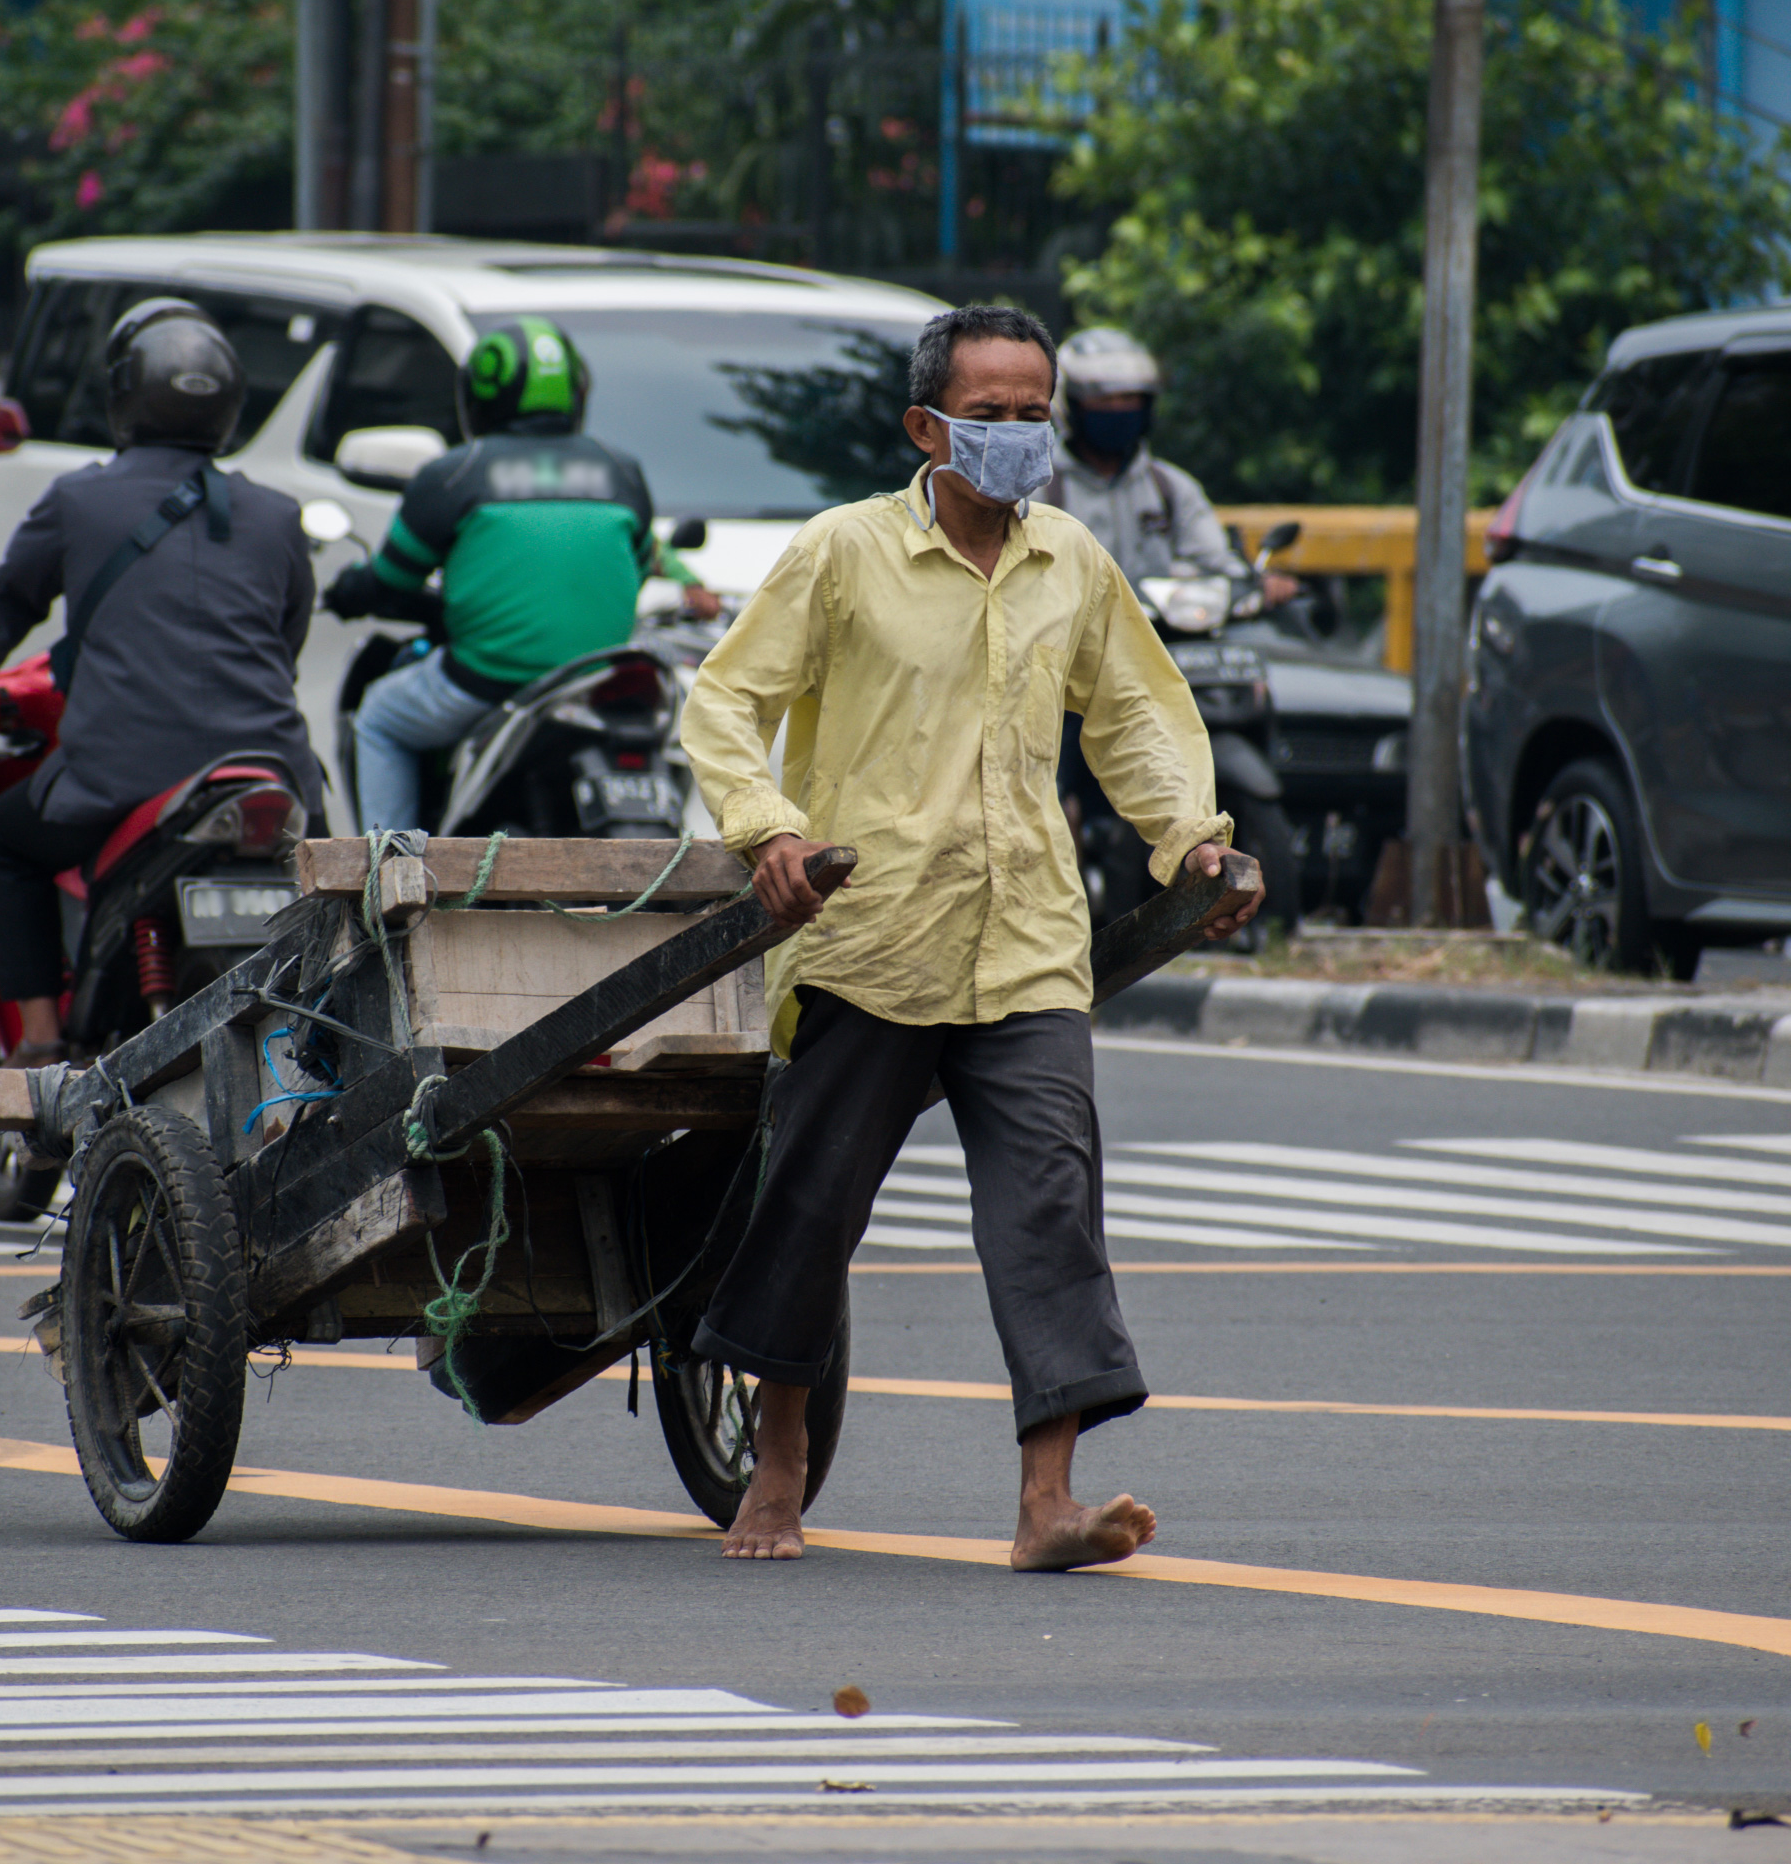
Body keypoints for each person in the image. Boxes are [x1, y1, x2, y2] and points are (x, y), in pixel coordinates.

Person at [678, 303, 1255, 1569]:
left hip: (1027, 943)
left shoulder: (1073, 564)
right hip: (871, 934)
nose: (1013, 435)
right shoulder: (841, 553)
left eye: (1030, 412)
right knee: (813, 1206)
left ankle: (1047, 1505)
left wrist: (1189, 841)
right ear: (924, 426)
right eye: (985, 414)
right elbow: (728, 700)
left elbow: (1138, 720)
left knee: (1050, 1207)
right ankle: (774, 1471)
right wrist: (767, 824)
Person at [0, 298, 317, 1066]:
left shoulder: (77, 499)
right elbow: (284, 642)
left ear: (123, 396)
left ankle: (38, 1043)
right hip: (273, 776)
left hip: (118, 783)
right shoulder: (276, 515)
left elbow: (4, 611)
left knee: (2, 839)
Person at [322, 316, 671, 833]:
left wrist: (349, 589)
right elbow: (640, 567)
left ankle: (389, 881)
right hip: (593, 681)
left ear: (479, 397)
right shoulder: (621, 470)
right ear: (576, 391)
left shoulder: (454, 473)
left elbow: (392, 579)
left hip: (486, 682)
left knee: (379, 719)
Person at [1042, 327, 1298, 838]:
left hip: (1168, 648)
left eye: (1131, 399)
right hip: (1077, 660)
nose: (1120, 408)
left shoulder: (1170, 487)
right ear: (1072, 405)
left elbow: (1215, 560)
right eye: (1105, 399)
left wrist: (1256, 584)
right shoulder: (1046, 483)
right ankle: (1067, 824)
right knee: (1052, 758)